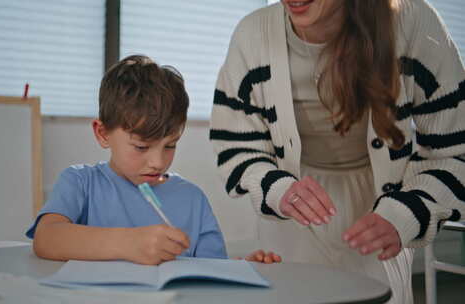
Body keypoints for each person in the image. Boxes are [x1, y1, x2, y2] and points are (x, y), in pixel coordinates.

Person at [210, 0, 465, 303]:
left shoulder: (414, 23)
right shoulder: (252, 34)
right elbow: (236, 146)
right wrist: (277, 189)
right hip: (291, 217)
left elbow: (456, 151)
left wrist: (407, 212)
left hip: (383, 218)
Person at [27, 55, 281, 265]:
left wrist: (240, 268)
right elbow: (46, 239)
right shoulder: (81, 183)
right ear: (103, 133)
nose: (158, 162)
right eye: (141, 147)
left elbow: (210, 271)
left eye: (170, 145)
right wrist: (129, 244)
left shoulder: (192, 199)